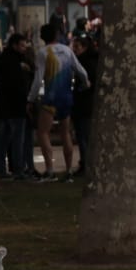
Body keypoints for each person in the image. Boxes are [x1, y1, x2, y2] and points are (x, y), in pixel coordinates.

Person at [29, 21, 89, 182]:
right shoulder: (67, 51)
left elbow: (37, 80)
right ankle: (69, 171)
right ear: (57, 35)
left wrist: (30, 99)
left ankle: (50, 170)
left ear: (43, 37)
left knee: (43, 132)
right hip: (66, 97)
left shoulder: (43, 53)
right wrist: (85, 83)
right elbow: (81, 71)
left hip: (51, 98)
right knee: (66, 133)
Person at [0, 34, 33, 180]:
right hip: (17, 104)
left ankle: (1, 168)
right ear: (15, 45)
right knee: (17, 139)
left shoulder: (1, 61)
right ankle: (18, 169)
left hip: (3, 104)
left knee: (3, 139)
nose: (24, 48)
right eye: (22, 45)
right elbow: (21, 83)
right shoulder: (19, 62)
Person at [71, 34, 100, 178]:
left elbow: (89, 83)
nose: (74, 50)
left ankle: (86, 164)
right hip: (85, 104)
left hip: (84, 104)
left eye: (77, 47)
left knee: (84, 137)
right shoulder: (90, 61)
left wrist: (82, 89)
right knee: (84, 136)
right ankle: (86, 163)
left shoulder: (85, 63)